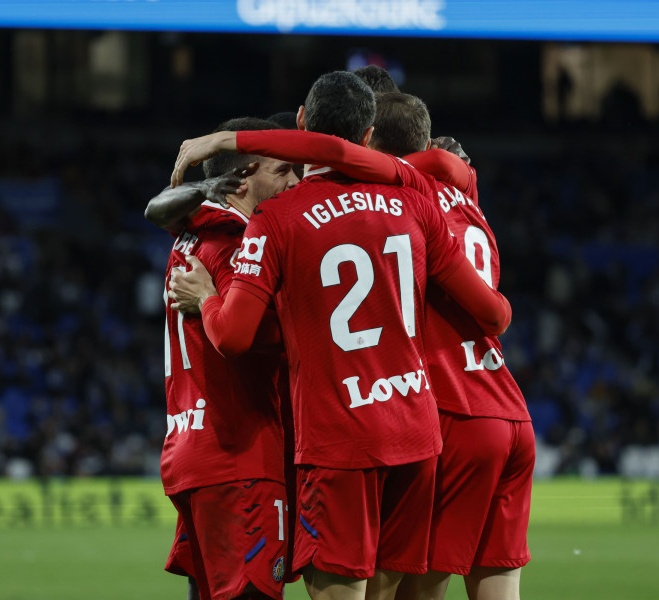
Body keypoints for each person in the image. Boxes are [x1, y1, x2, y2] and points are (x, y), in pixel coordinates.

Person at [166, 71, 512, 600]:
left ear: (303, 122)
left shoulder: (278, 219)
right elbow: (494, 313)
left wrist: (208, 297)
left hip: (339, 436)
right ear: (368, 136)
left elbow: (234, 336)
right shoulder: (417, 196)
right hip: (417, 431)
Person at [370, 92, 534, 600]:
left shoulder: (405, 202)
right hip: (510, 412)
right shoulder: (468, 199)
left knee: (417, 591)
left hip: (454, 412)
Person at [151, 116, 299, 600]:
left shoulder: (191, 234)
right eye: (283, 171)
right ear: (245, 174)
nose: (296, 183)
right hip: (238, 455)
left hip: (193, 449)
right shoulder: (239, 243)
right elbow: (252, 335)